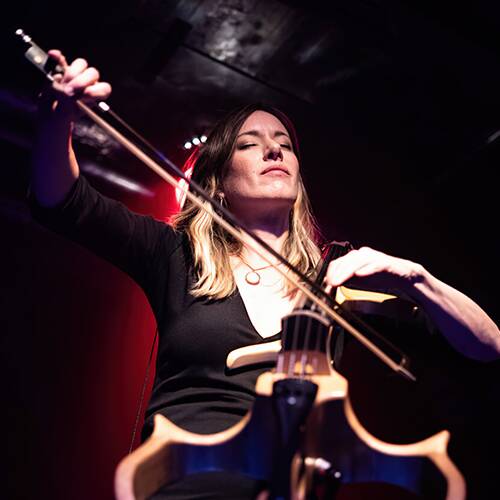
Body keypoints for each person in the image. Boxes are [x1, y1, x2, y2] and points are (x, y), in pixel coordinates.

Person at [30, 51, 500, 499]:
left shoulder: (337, 283)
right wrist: (58, 116)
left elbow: (486, 345)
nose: (274, 150)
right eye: (249, 144)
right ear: (217, 183)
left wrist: (415, 279)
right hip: (185, 486)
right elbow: (64, 201)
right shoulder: (175, 254)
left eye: (285, 145)